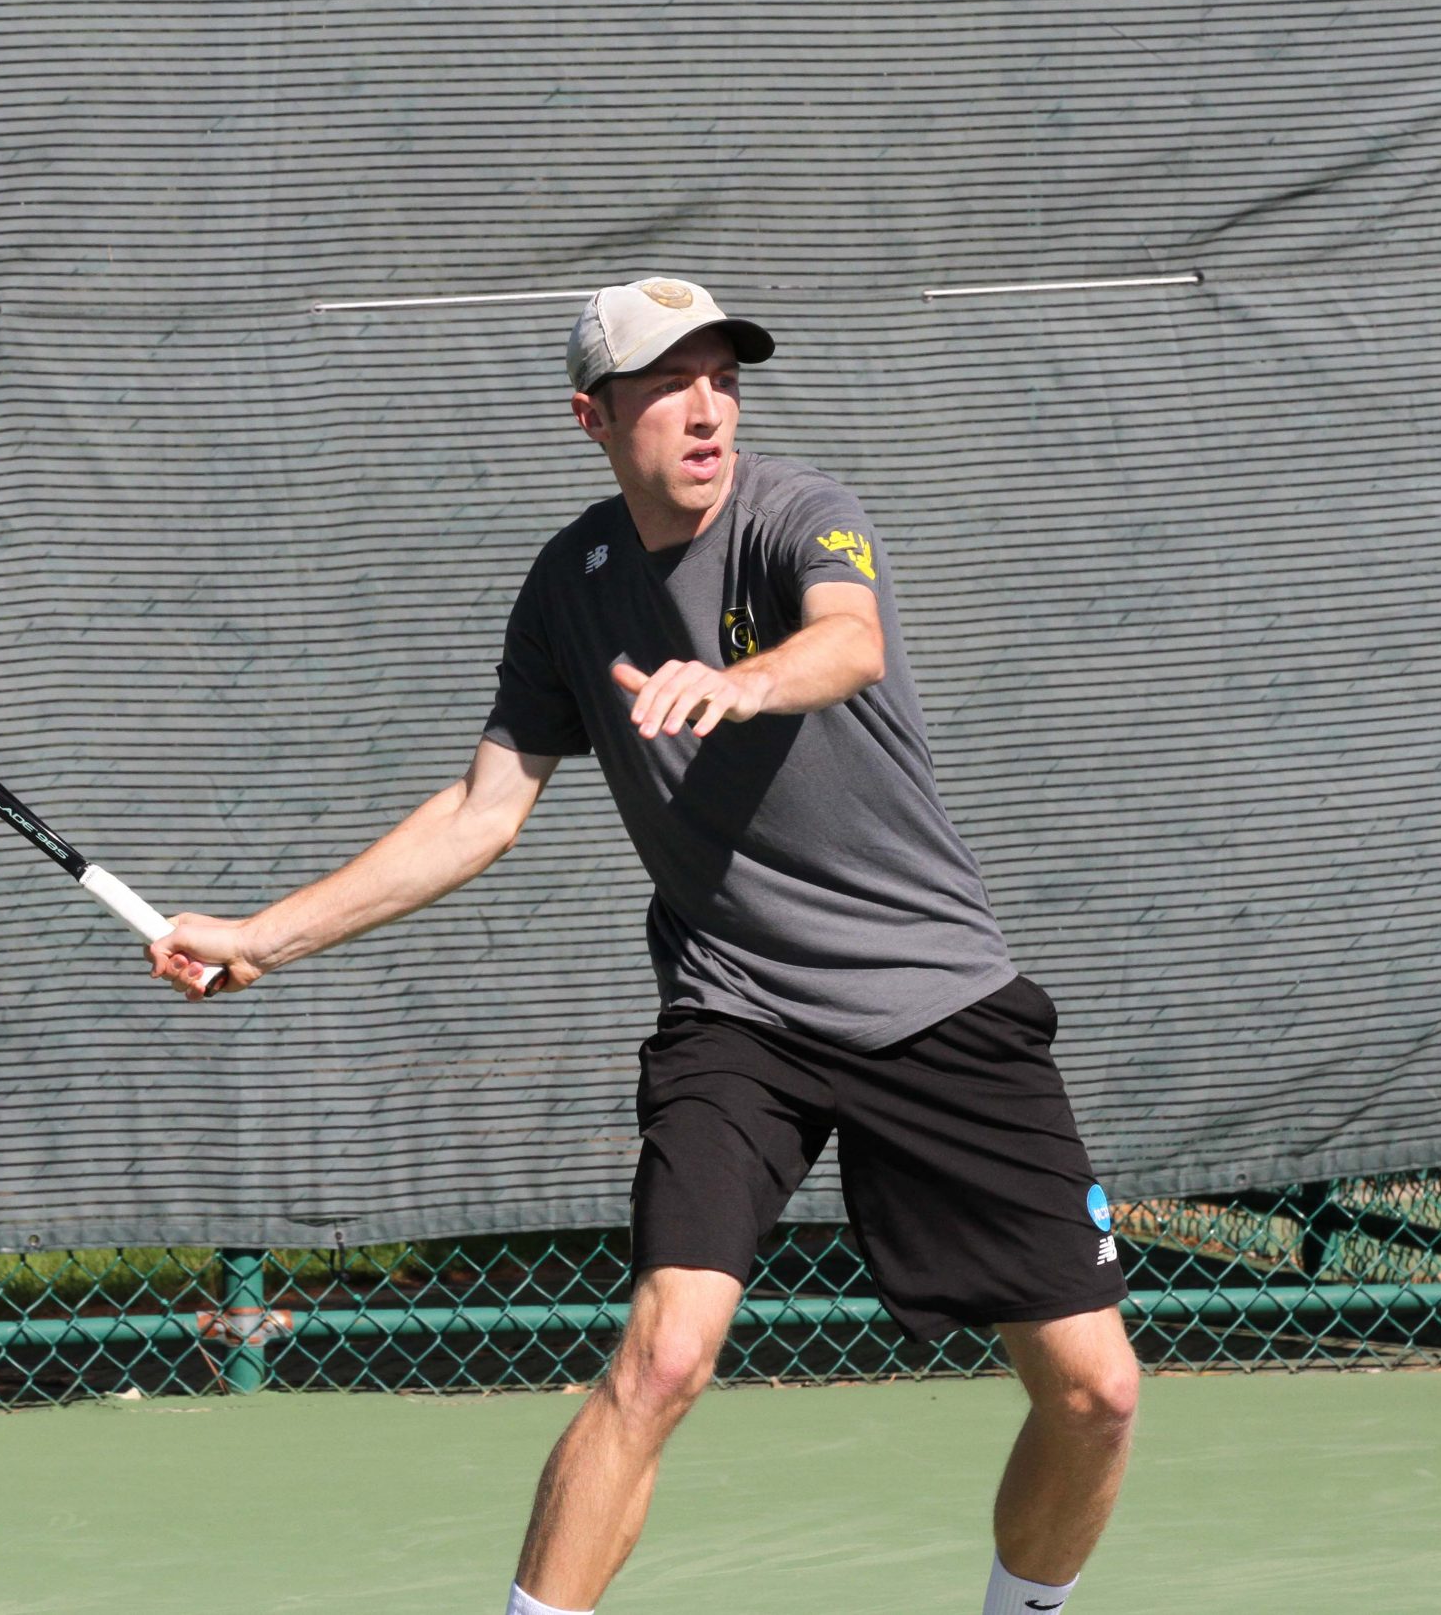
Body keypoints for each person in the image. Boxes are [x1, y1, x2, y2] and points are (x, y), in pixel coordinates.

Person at [147, 277, 1138, 1615]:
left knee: (1094, 1392)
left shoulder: (805, 515)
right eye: (669, 383)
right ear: (593, 417)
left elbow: (846, 645)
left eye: (723, 375)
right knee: (665, 1356)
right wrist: (268, 938)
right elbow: (484, 808)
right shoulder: (573, 586)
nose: (706, 406)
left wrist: (740, 681)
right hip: (741, 1015)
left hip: (938, 1000)